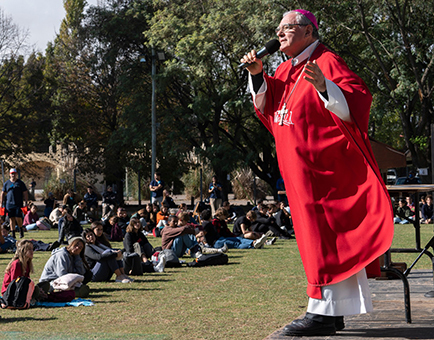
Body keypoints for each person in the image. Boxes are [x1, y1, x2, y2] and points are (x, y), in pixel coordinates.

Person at [240, 9, 394, 336]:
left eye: (288, 28)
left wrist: (326, 87)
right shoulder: (283, 68)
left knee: (326, 238)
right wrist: (257, 75)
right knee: (315, 239)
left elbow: (358, 102)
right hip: (299, 173)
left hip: (325, 171)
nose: (279, 33)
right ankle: (331, 312)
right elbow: (269, 109)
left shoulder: (327, 62)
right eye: (278, 29)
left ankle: (322, 314)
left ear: (309, 32)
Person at [1, 168, 29, 238]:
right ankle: (13, 233)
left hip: (18, 204)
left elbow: (25, 192)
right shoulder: (6, 183)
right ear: (10, 175)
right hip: (9, 204)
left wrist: (26, 202)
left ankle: (21, 229)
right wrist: (1, 203)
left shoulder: (20, 183)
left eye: (14, 174)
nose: (13, 175)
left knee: (18, 218)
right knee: (11, 218)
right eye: (12, 174)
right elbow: (3, 193)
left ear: (16, 174)